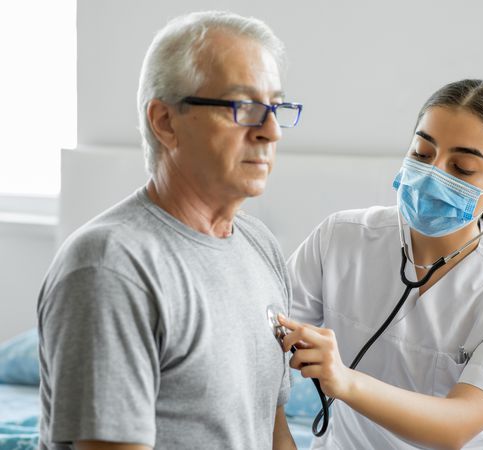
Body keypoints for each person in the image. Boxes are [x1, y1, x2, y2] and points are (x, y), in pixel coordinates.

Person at [37, 11, 302, 450]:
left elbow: (272, 431)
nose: (271, 131)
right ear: (165, 121)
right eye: (244, 107)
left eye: (275, 107)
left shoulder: (260, 246)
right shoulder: (111, 267)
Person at [279, 79, 483, 449]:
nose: (433, 174)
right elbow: (261, 350)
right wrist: (280, 439)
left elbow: (456, 427)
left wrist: (344, 380)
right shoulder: (341, 237)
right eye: (422, 154)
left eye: (461, 167)